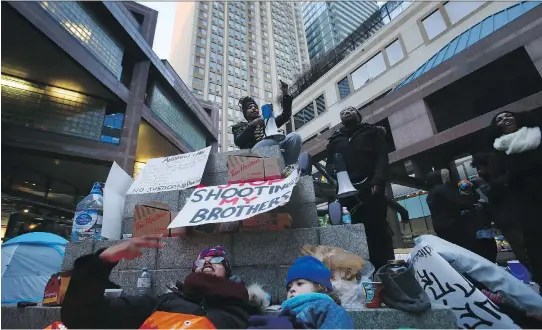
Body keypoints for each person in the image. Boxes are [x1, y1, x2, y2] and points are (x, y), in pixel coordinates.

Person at [61, 238, 263, 329]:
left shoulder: (243, 308)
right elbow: (80, 318)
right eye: (202, 261)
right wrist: (102, 262)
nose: (208, 262)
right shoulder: (162, 302)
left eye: (216, 260)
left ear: (227, 272)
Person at [325, 106, 393, 271]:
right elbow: (329, 165)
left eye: (350, 110)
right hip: (347, 192)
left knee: (376, 228)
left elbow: (382, 157)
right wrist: (335, 174)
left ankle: (383, 268)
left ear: (359, 115)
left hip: (370, 188)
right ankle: (361, 269)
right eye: (343, 112)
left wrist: (377, 180)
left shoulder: (372, 132)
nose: (346, 112)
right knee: (354, 229)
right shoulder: (335, 140)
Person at [488, 110, 542, 286]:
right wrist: (510, 176)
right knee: (535, 242)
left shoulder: (537, 135)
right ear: (497, 127)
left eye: (508, 115)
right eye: (500, 119)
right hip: (525, 202)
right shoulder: (498, 150)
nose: (505, 119)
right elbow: (496, 181)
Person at [248, 256, 353, 329]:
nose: (292, 289)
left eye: (300, 284)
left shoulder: (328, 308)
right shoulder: (287, 310)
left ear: (320, 287)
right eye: (289, 287)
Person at [471, 153, 533, 271]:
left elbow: (495, 193)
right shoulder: (496, 178)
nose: (479, 171)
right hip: (510, 221)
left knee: (525, 255)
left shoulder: (497, 180)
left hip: (513, 222)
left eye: (480, 167)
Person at [232, 81, 302, 168]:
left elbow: (285, 116)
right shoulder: (239, 126)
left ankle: (289, 167)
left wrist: (285, 93)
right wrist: (252, 125)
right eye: (250, 108)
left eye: (255, 107)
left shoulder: (266, 122)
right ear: (245, 113)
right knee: (271, 141)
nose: (254, 108)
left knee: (295, 137)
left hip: (274, 148)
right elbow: (239, 141)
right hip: (253, 157)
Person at [426, 169, 476, 250]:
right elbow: (456, 201)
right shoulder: (441, 189)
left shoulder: (431, 192)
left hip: (440, 226)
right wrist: (472, 204)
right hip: (452, 224)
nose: (448, 179)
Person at [457, 179, 497, 263]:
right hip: (486, 233)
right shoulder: (480, 201)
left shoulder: (458, 205)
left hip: (472, 237)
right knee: (490, 255)